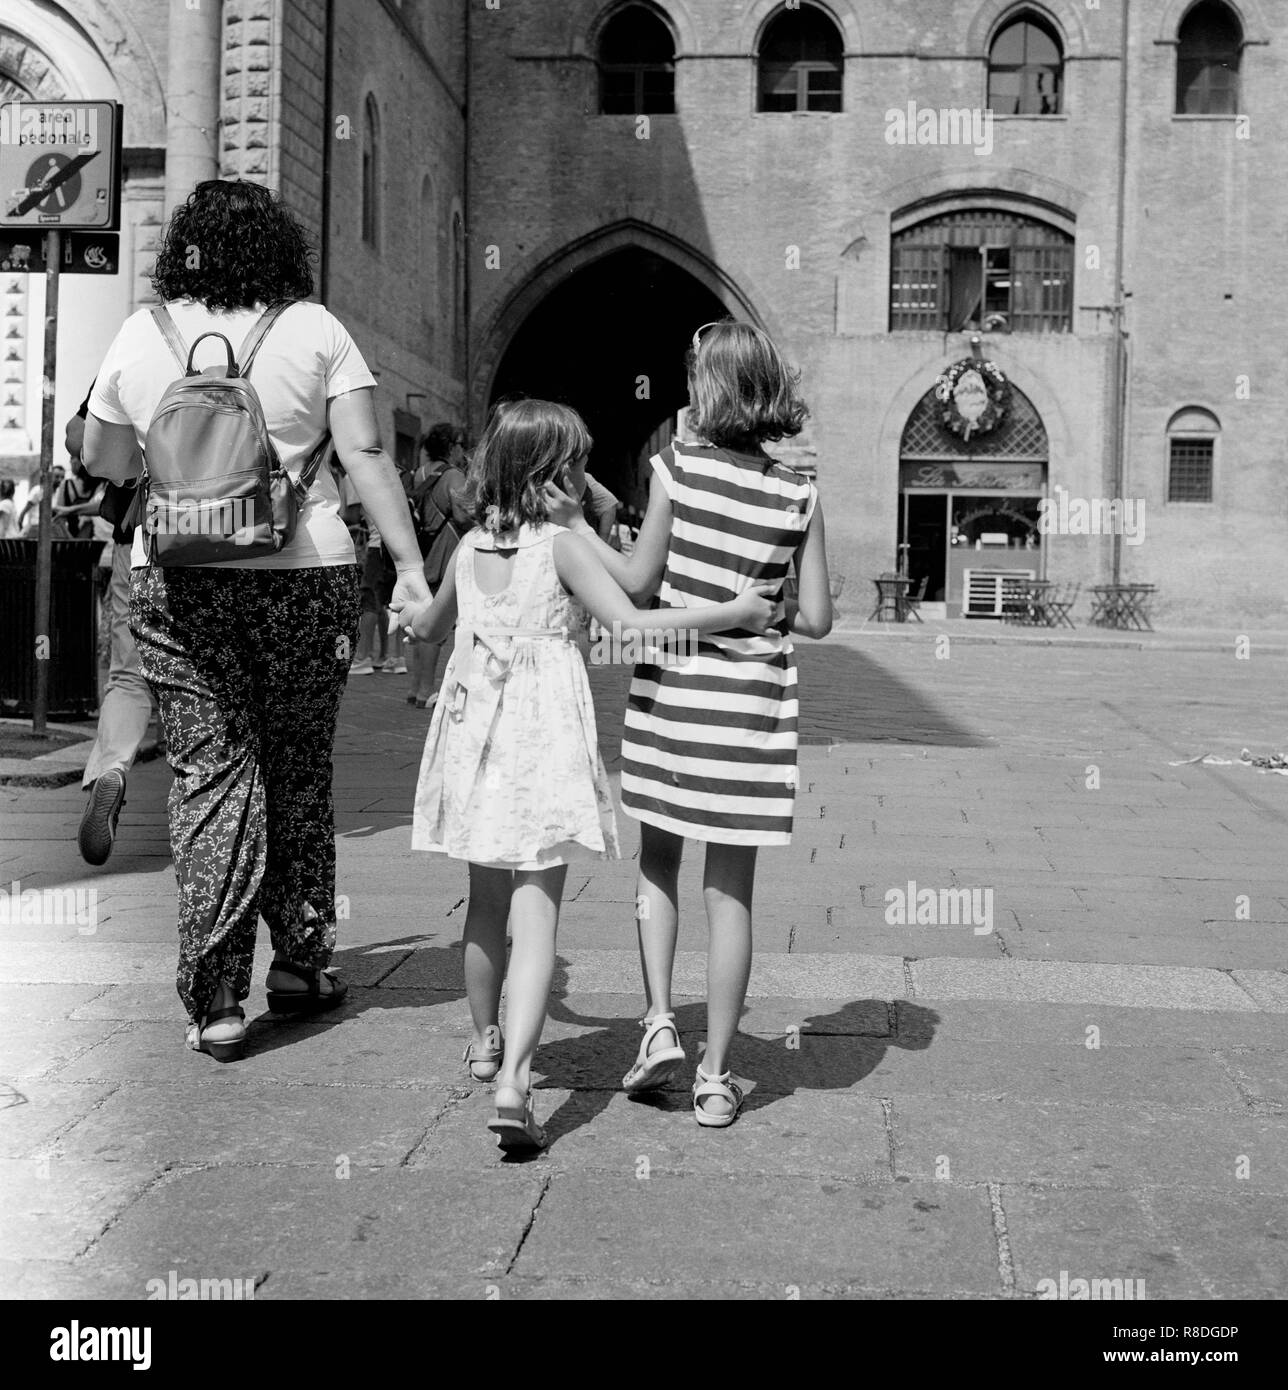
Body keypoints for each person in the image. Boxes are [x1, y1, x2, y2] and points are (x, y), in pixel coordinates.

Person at [83, 178, 431, 1063]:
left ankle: (216, 998)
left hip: (177, 576)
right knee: (297, 767)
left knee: (210, 773)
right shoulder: (315, 330)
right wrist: (414, 568)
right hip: (304, 571)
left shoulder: (142, 332)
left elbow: (105, 458)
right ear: (281, 248)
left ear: (184, 248)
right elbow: (362, 452)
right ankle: (302, 960)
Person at [394, 397, 775, 1150]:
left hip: (473, 740)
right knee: (537, 912)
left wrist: (409, 608)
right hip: (538, 741)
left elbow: (430, 627)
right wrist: (731, 613)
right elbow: (632, 620)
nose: (583, 474)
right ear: (550, 469)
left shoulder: (471, 544)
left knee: (483, 900)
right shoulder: (560, 548)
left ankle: (483, 1042)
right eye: (575, 460)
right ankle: (515, 1085)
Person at [546, 320, 832, 1129]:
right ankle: (715, 1077)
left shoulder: (675, 469)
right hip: (751, 712)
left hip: (673, 697)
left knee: (657, 868)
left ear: (707, 390)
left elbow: (637, 583)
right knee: (732, 893)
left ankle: (660, 1022)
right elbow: (815, 618)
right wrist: (756, 605)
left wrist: (573, 526)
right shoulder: (799, 493)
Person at [68, 397, 160, 866]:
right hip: (232, 536)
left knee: (128, 675)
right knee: (211, 678)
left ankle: (112, 767)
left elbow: (77, 438)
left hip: (144, 533)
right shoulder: (269, 333)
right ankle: (210, 806)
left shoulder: (141, 340)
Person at [404, 422, 470, 708]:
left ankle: (413, 687)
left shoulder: (418, 474)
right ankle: (426, 691)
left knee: (418, 622)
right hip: (444, 551)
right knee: (437, 627)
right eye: (460, 445)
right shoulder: (453, 475)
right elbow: (462, 514)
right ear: (451, 446)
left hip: (421, 551)